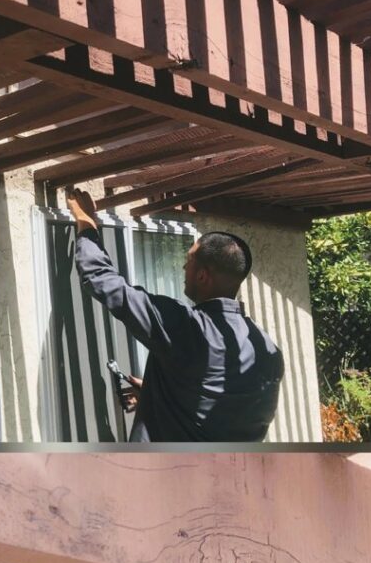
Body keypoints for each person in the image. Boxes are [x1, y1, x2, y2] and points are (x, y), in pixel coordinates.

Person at [66, 187, 284, 442]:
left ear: (202, 276)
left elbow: (103, 280)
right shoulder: (267, 350)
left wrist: (86, 222)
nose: (183, 267)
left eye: (188, 261)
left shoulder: (185, 327)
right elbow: (224, 409)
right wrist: (159, 393)